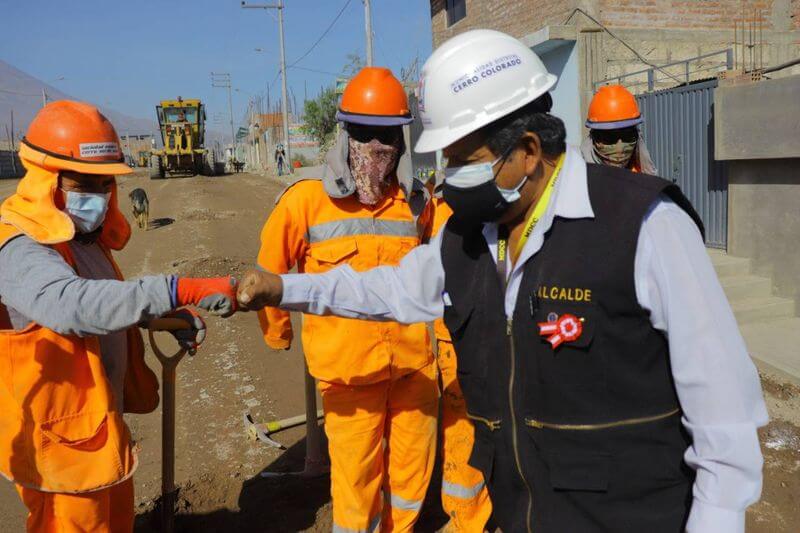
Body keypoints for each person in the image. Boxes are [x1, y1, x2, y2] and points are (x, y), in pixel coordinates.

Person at [238, 30, 768, 533]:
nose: (448, 176)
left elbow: (725, 423)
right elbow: (385, 288)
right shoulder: (470, 237)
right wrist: (284, 288)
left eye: (464, 160)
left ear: (529, 150)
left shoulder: (646, 226)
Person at [0, 100, 237, 533]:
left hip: (98, 429)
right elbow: (71, 305)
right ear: (47, 179)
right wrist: (176, 288)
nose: (97, 195)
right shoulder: (19, 246)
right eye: (84, 183)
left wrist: (159, 316)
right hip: (57, 452)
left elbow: (104, 300)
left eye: (104, 184)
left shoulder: (82, 239)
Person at [254, 67, 438, 532]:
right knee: (357, 485)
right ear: (345, 134)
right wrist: (278, 333)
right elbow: (270, 272)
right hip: (349, 374)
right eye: (365, 134)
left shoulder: (416, 201)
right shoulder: (305, 201)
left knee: (411, 477)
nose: (378, 148)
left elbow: (439, 273)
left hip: (414, 366)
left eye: (387, 136)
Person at [428, 185, 493, 532]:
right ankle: (465, 517)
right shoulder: (434, 208)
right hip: (454, 335)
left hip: (495, 330)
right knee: (463, 428)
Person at [580, 84, 658, 174]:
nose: (619, 148)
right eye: (609, 137)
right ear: (593, 139)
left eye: (627, 136)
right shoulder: (577, 181)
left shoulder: (645, 181)